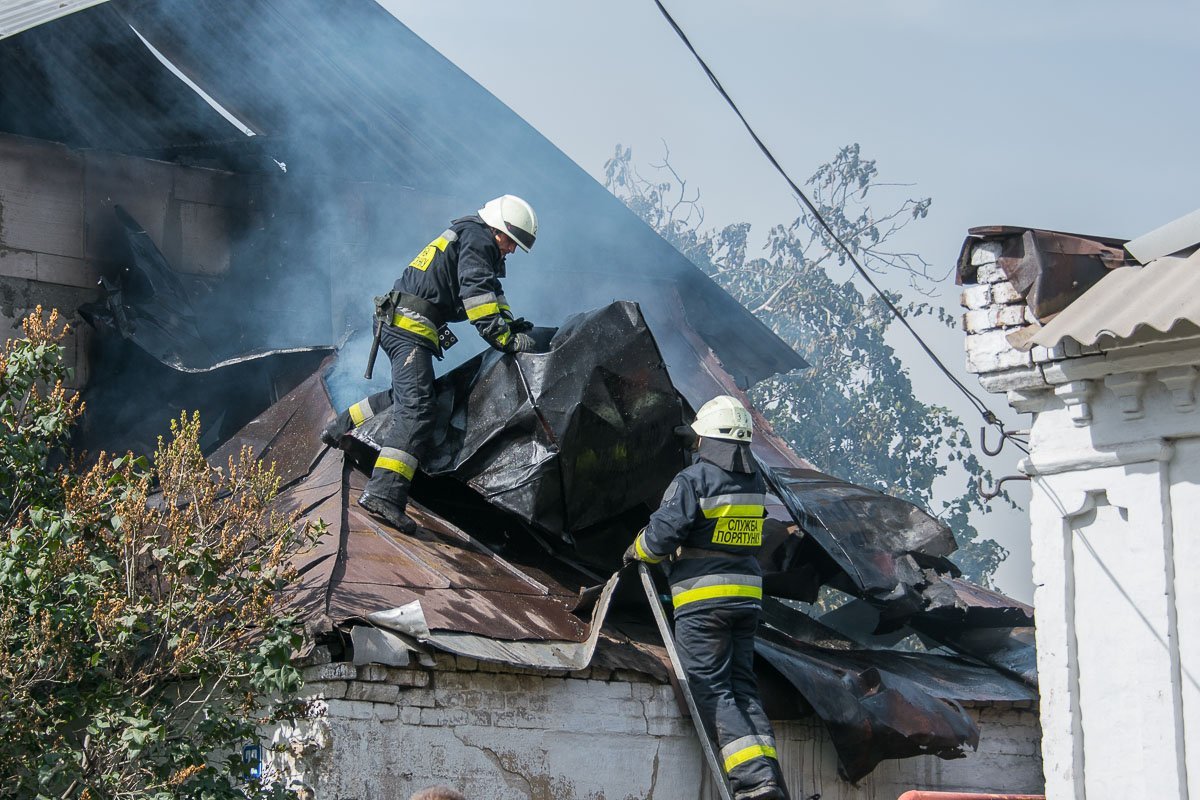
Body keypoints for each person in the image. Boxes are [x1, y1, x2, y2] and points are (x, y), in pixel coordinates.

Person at [322, 195, 541, 533]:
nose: (512, 250)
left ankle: (340, 426)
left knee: (403, 397)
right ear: (499, 229)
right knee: (419, 408)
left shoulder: (473, 240)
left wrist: (513, 326)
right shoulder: (478, 241)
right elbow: (478, 300)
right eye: (511, 241)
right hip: (408, 329)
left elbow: (494, 294)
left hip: (403, 325)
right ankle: (384, 493)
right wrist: (505, 339)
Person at [624, 395, 789, 800]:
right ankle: (768, 780)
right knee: (743, 690)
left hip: (704, 603)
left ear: (708, 440)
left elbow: (661, 537)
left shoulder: (693, 480)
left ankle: (750, 783)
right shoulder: (755, 484)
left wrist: (634, 550)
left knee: (711, 688)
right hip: (747, 600)